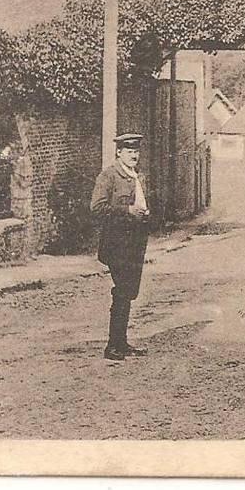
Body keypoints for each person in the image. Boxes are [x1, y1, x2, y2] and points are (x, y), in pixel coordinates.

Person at [90, 132, 151, 361]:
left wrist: (145, 213)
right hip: (117, 244)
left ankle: (121, 343)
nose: (134, 155)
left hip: (134, 242)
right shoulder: (109, 176)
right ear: (119, 152)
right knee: (123, 291)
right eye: (129, 151)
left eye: (136, 151)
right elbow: (97, 207)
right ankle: (113, 346)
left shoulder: (135, 176)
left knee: (129, 292)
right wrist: (127, 211)